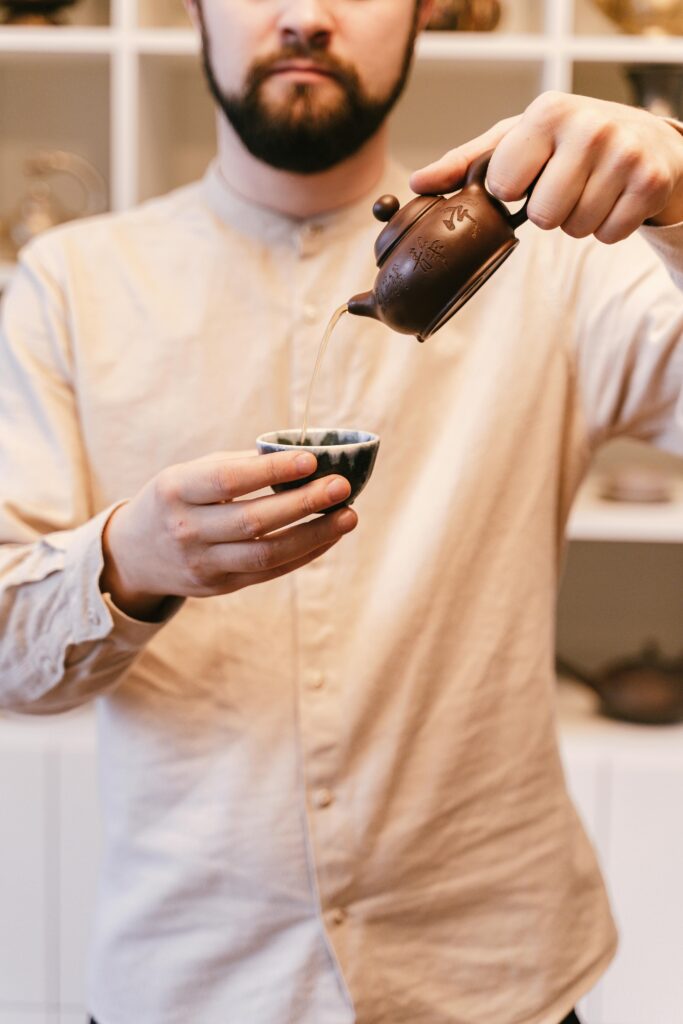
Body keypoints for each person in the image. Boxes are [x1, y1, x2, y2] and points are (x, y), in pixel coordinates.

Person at [1, 0, 682, 1021]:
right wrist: (127, 557)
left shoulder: (567, 270)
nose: (304, 15)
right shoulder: (69, 282)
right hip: (185, 985)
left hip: (495, 981)